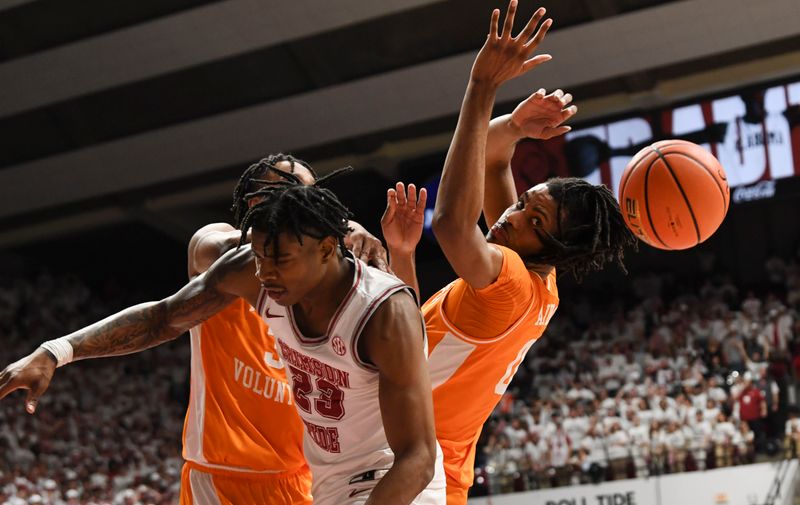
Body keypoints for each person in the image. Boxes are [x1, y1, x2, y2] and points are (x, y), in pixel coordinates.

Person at [0, 168, 443, 504]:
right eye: (275, 199)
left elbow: (417, 454)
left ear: (323, 245)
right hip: (252, 472)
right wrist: (56, 350)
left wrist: (386, 247)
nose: (266, 272)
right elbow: (162, 317)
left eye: (297, 197)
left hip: (358, 474)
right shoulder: (243, 265)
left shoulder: (377, 306)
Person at [382, 2, 636, 501]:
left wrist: (482, 87)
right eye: (524, 202)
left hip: (416, 462)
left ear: (554, 246)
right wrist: (516, 126)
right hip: (418, 452)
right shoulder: (540, 275)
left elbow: (453, 225)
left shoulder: (511, 284)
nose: (511, 215)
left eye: (533, 220)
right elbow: (495, 156)